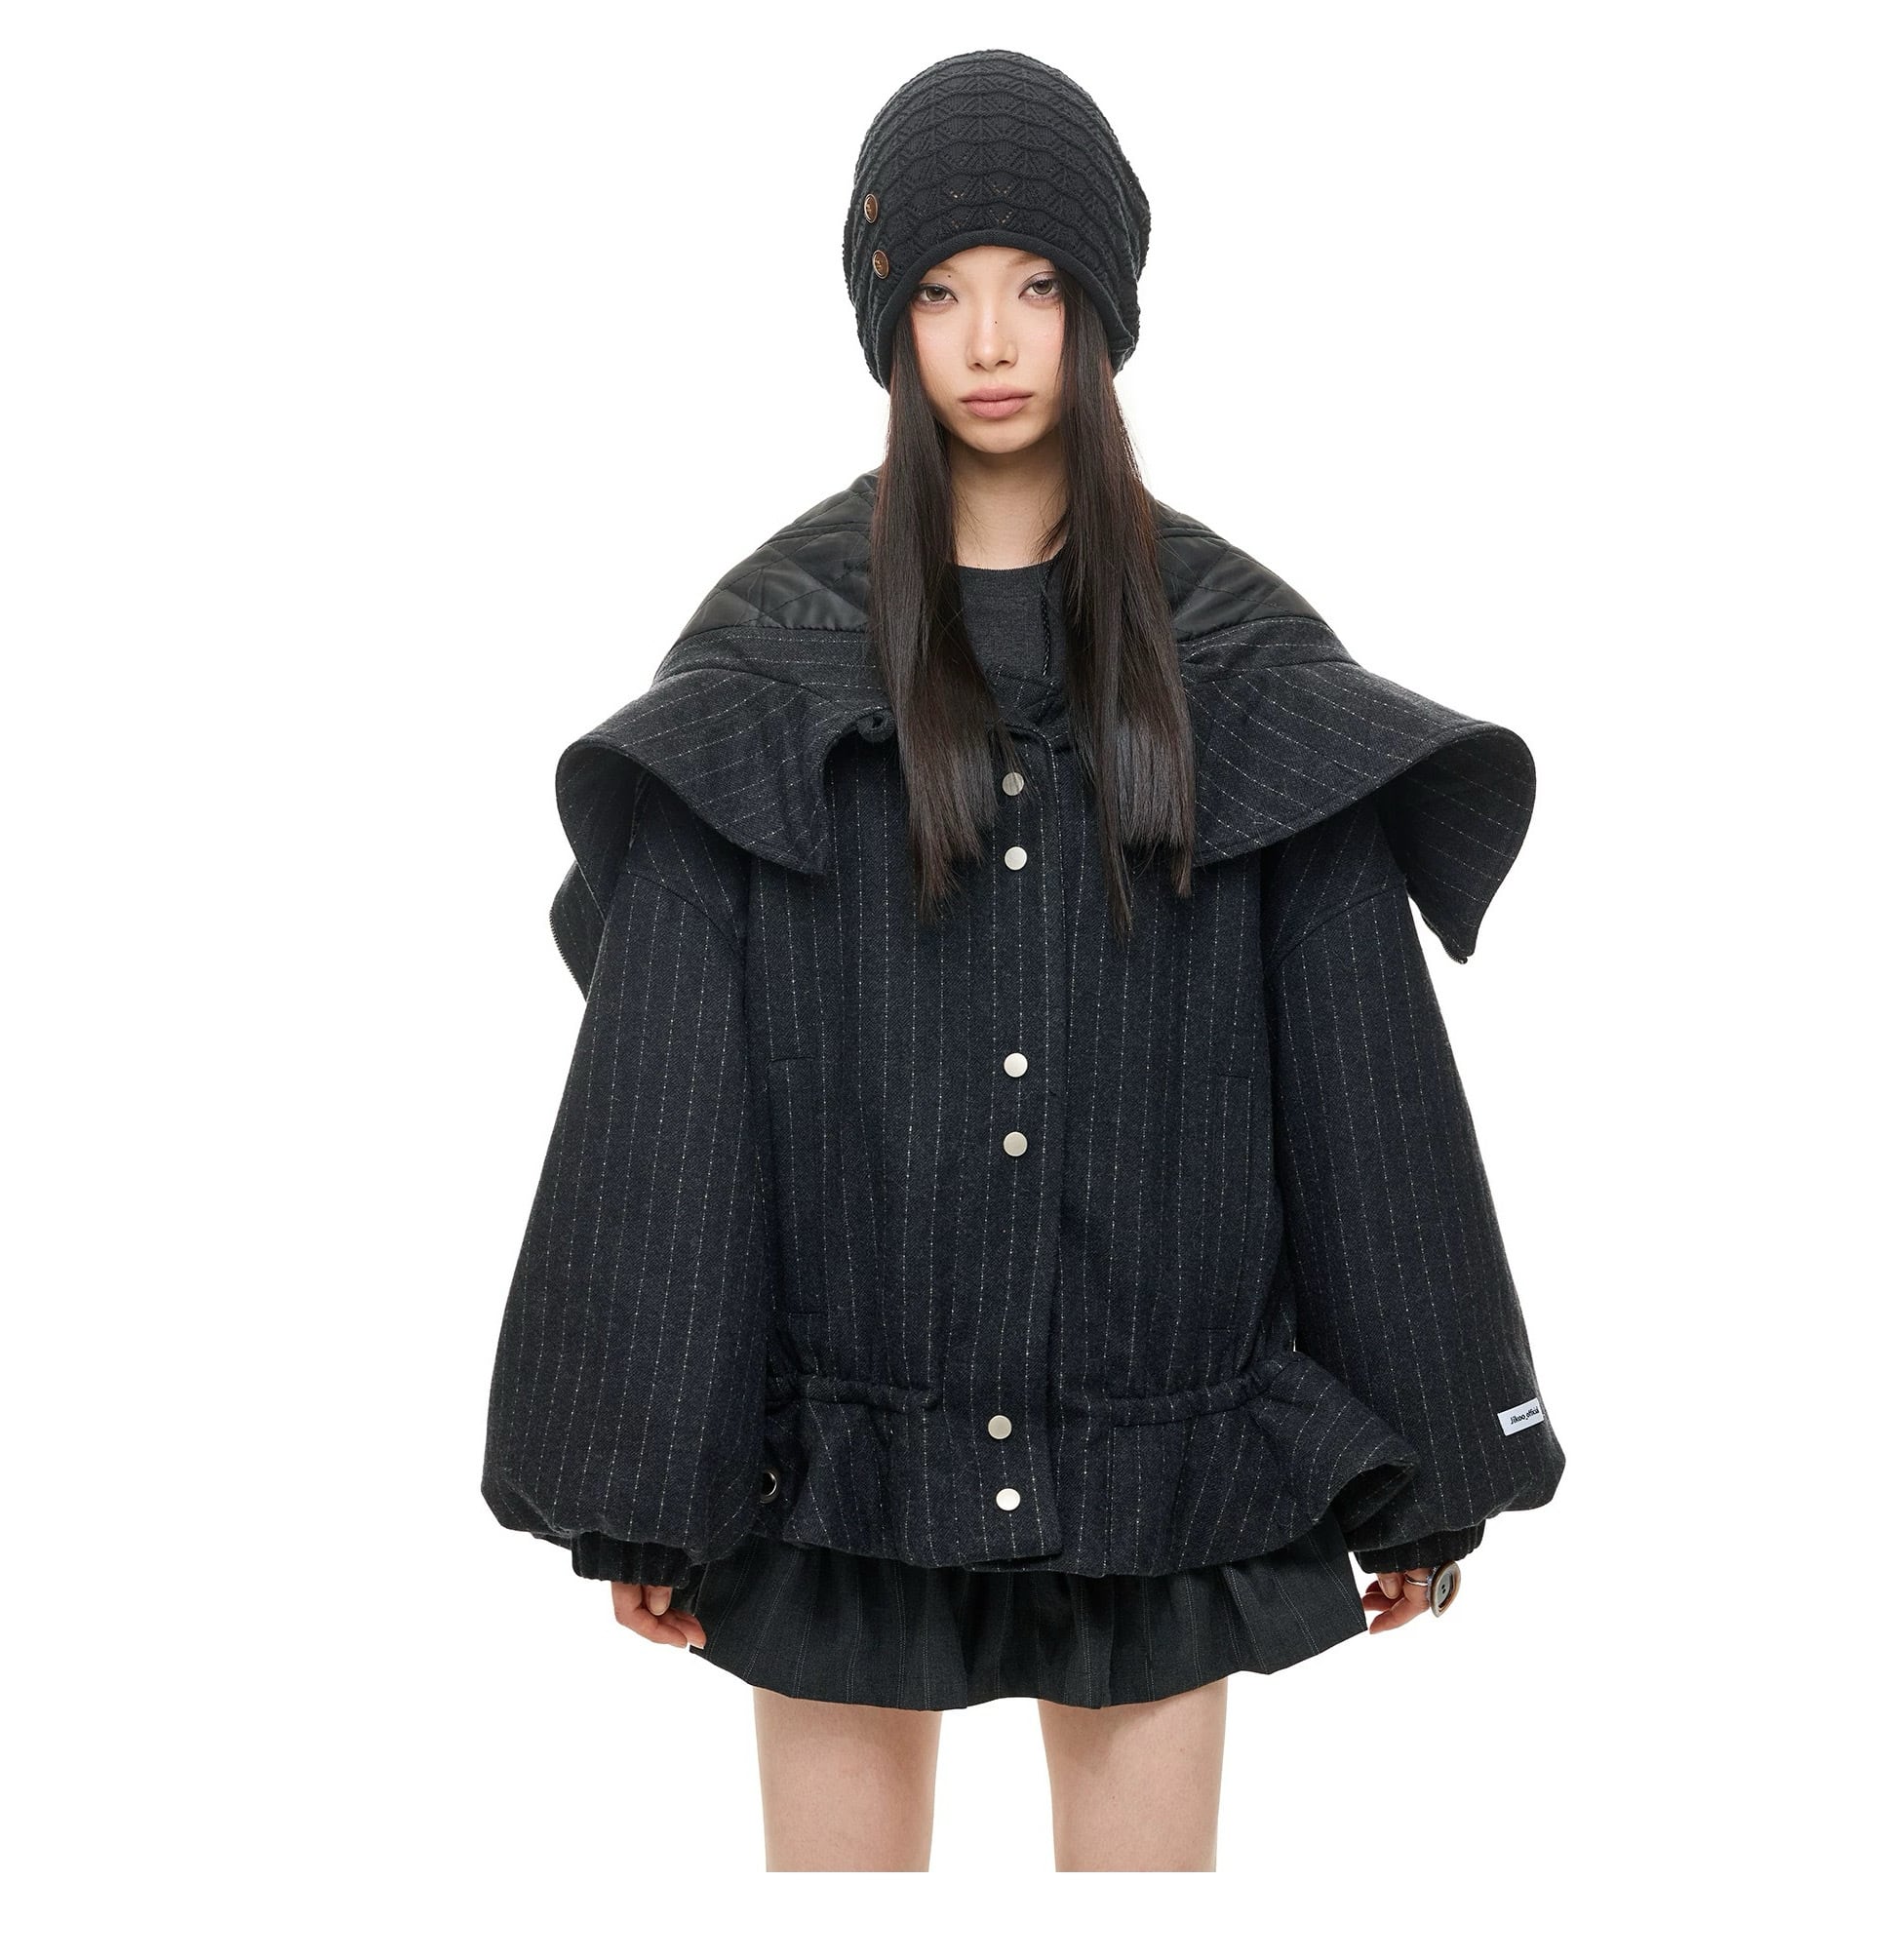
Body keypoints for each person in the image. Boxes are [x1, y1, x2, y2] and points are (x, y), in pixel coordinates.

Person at [480, 47, 1565, 1871]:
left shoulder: (1237, 664)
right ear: (884, 317)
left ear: (1102, 305)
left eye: (1037, 284)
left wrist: (1433, 1455)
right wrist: (642, 1478)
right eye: (939, 290)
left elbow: (1358, 1066)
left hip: (1162, 1458)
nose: (990, 339)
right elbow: (669, 1087)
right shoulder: (765, 665)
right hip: (836, 1462)